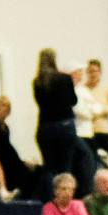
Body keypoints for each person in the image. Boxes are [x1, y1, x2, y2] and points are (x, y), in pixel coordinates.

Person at [32, 49, 96, 197]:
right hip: (64, 126)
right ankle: (66, 201)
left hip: (44, 127)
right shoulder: (64, 79)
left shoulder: (37, 82)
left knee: (50, 168)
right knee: (65, 167)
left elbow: (39, 103)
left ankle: (50, 201)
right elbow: (73, 101)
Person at [0, 95, 34, 195]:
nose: (3, 109)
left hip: (7, 153)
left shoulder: (5, 127)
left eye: (5, 106)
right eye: (1, 106)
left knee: (29, 168)